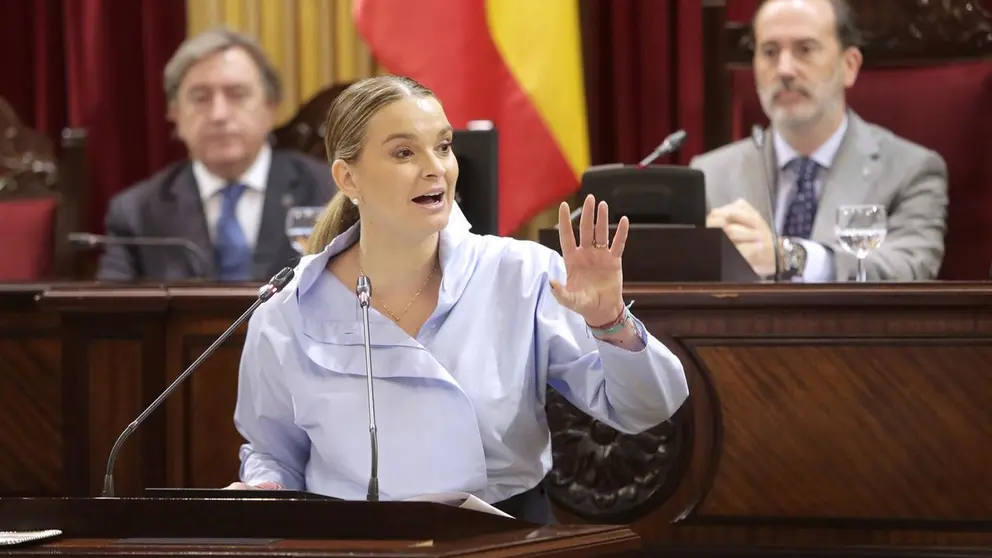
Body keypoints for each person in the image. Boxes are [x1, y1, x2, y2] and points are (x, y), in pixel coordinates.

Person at [225, 75, 689, 524]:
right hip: (352, 542)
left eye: (443, 146)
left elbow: (645, 409)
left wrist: (610, 321)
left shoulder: (521, 274)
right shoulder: (288, 308)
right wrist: (265, 489)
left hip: (503, 537)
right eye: (404, 152)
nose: (436, 167)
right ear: (348, 178)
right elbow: (271, 452)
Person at [691, 0, 948, 282]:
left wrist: (790, 256)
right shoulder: (710, 175)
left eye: (805, 49)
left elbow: (911, 270)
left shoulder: (911, 170)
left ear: (849, 65)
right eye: (770, 52)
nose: (785, 69)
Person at [96, 27, 336, 282]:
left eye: (237, 95)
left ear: (271, 107)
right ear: (174, 113)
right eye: (200, 98)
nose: (218, 114)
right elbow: (113, 314)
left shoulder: (329, 193)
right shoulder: (136, 212)